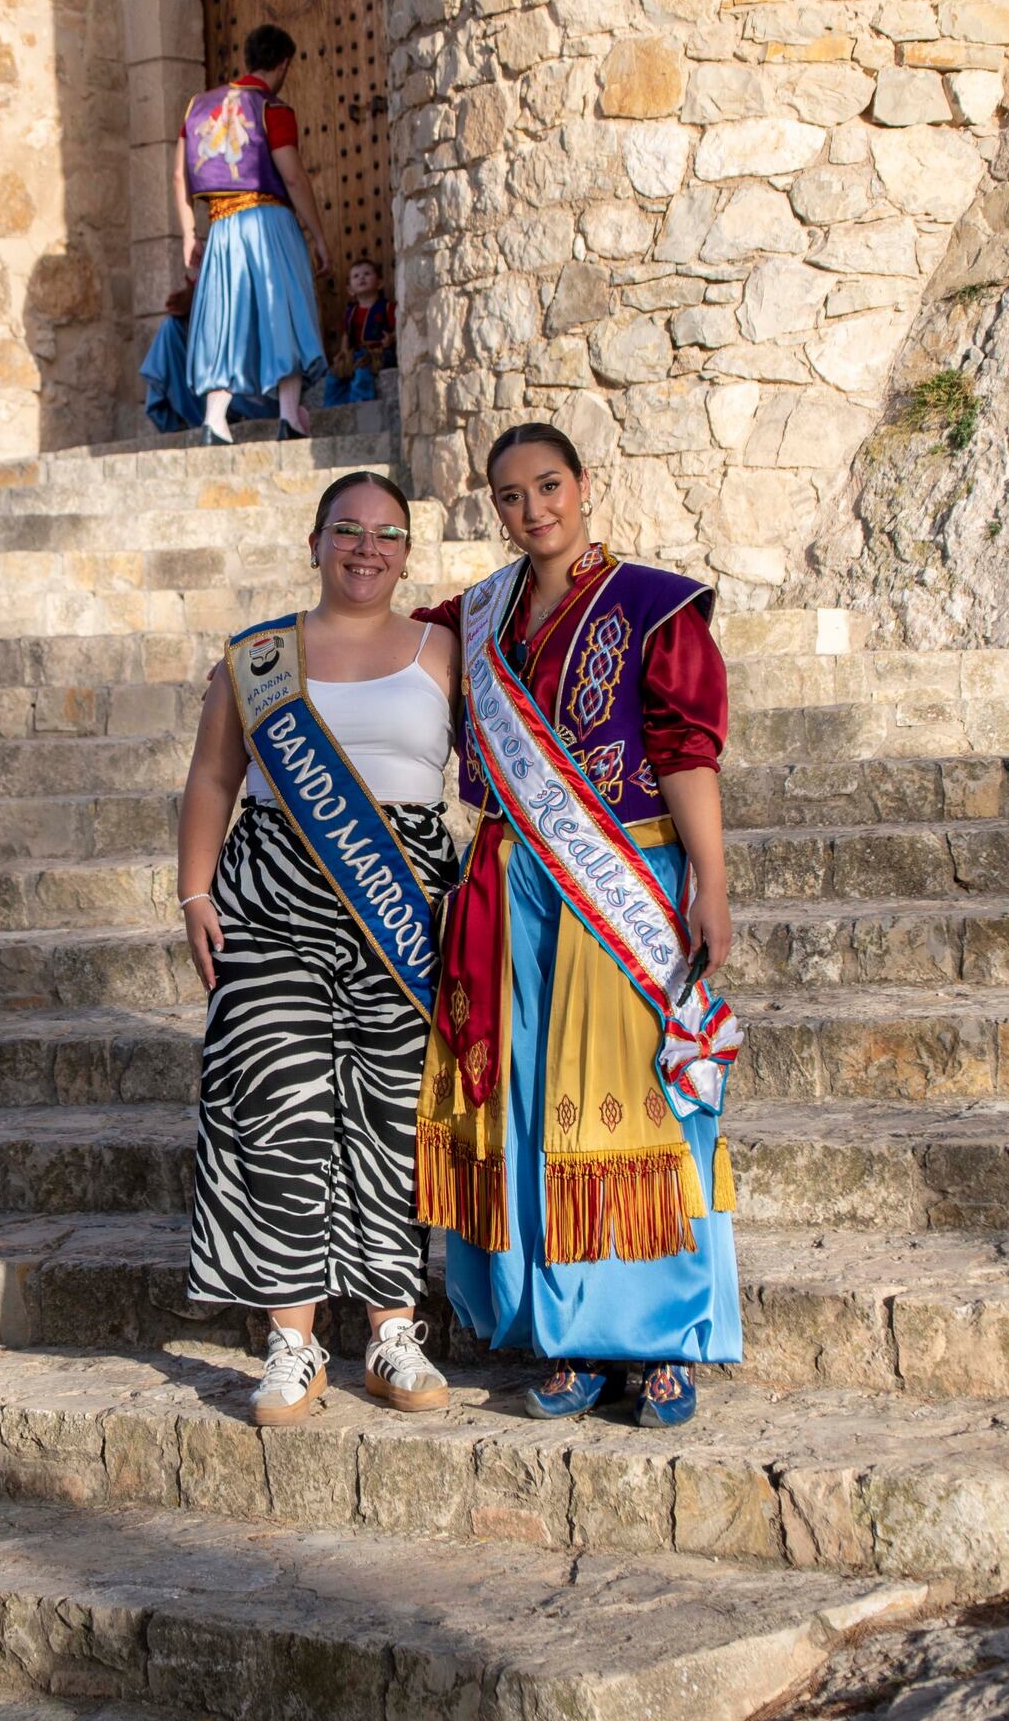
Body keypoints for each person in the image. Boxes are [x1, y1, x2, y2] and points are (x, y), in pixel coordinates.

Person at [412, 422, 741, 1427]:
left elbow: (685, 749)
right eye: (509, 496)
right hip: (511, 885)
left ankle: (667, 1337)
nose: (532, 509)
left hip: (623, 871)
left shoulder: (653, 605)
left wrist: (711, 882)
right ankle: (574, 1336)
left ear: (585, 484)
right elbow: (377, 666)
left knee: (632, 1097)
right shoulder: (474, 619)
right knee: (528, 1103)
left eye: (547, 485)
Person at [181, 471, 460, 1426]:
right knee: (278, 1106)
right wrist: (191, 892)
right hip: (270, 898)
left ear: (407, 555)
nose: (366, 549)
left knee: (389, 1113)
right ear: (314, 541)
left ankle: (390, 1333)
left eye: (386, 536)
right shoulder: (258, 657)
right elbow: (214, 779)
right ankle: (291, 1343)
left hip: (403, 902)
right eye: (348, 531)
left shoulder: (444, 652)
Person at [174, 23, 331, 447]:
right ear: (282, 64)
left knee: (224, 322)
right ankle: (288, 417)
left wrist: (190, 234)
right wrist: (317, 235)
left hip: (222, 226)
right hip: (269, 222)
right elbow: (293, 177)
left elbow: (179, 174)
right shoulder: (272, 108)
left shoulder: (197, 107)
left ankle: (214, 420)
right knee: (284, 313)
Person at [138, 280, 274, 435]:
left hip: (254, 375)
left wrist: (200, 299)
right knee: (171, 329)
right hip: (210, 382)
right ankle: (186, 423)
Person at [323, 258, 397, 408]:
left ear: (380, 283)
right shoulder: (351, 312)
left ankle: (361, 407)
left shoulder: (387, 307)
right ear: (350, 290)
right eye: (356, 276)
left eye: (367, 274)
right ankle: (333, 409)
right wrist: (344, 352)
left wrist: (392, 338)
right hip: (356, 355)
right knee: (334, 375)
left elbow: (399, 328)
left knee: (362, 372)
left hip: (379, 353)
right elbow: (346, 334)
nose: (361, 277)